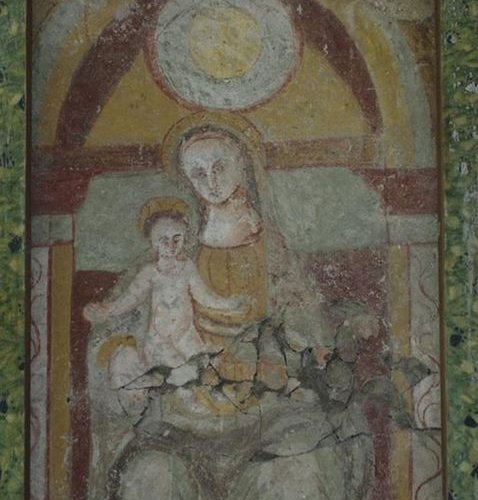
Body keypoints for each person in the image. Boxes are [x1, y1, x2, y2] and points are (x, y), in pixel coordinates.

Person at [83, 197, 246, 407]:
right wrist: (108, 310)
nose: (171, 246)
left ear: (184, 239)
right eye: (164, 240)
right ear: (154, 243)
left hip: (187, 335)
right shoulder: (150, 273)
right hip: (160, 340)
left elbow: (204, 296)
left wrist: (229, 304)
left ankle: (212, 400)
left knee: (205, 368)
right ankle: (184, 405)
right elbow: (131, 298)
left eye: (177, 239)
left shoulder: (187, 268)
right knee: (180, 375)